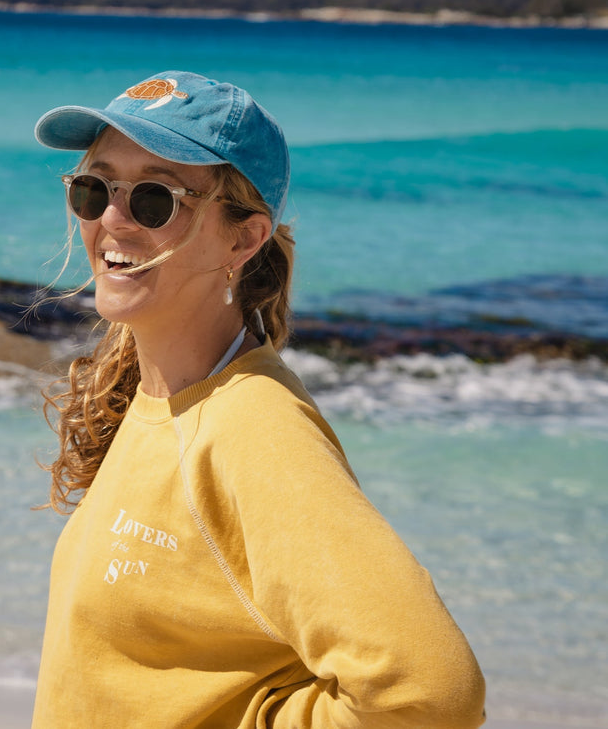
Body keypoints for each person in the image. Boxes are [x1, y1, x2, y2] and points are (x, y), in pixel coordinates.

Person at [30, 71, 485, 729]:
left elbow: (429, 692)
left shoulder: (253, 427)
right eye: (94, 189)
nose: (111, 220)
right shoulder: (154, 394)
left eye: (155, 199)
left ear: (243, 239)